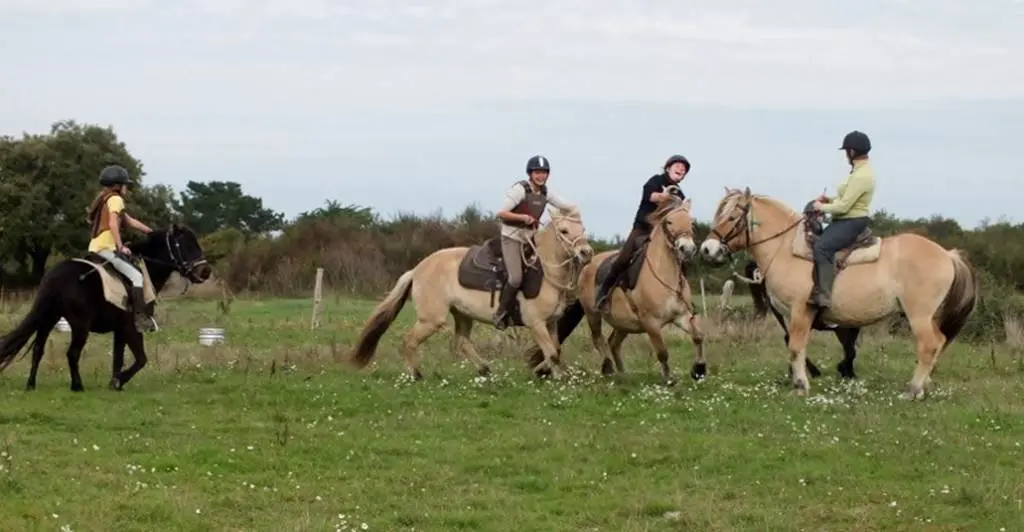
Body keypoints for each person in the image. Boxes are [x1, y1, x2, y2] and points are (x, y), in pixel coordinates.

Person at [594, 154, 690, 310]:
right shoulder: (656, 181)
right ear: (668, 168)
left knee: (681, 260)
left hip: (663, 235)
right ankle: (603, 293)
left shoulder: (680, 194)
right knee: (622, 259)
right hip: (643, 229)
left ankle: (682, 296)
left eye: (684, 169)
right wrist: (663, 196)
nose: (681, 169)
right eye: (678, 166)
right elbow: (650, 196)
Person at [492, 155, 578, 329]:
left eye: (544, 173)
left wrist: (574, 212)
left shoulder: (546, 192)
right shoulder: (520, 190)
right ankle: (501, 312)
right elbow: (501, 213)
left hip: (532, 238)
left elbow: (564, 205)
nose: (541, 176)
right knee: (516, 278)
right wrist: (522, 217)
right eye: (537, 173)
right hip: (512, 238)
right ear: (530, 174)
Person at [807, 130, 876, 309]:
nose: (846, 155)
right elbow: (846, 200)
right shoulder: (858, 172)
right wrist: (829, 200)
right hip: (846, 219)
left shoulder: (862, 176)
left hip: (851, 221)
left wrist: (820, 207)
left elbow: (844, 207)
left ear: (851, 152)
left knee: (822, 248)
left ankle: (825, 295)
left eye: (846, 151)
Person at [87, 164, 156, 332]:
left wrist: (150, 231)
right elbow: (112, 224)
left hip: (94, 247)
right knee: (137, 277)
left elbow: (129, 221)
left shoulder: (105, 199)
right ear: (118, 185)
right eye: (125, 184)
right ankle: (140, 318)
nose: (127, 188)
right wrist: (120, 246)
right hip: (106, 248)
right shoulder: (116, 199)